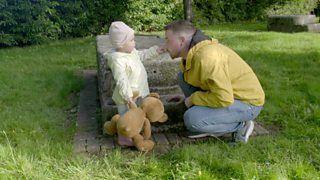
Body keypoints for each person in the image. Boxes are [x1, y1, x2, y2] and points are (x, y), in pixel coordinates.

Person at [164, 20, 265, 143]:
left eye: (167, 40)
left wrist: (192, 99)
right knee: (183, 77)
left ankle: (240, 125)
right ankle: (208, 115)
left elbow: (224, 98)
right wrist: (185, 98)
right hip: (227, 95)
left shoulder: (208, 57)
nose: (165, 45)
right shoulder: (193, 54)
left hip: (246, 103)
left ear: (181, 40)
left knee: (192, 120)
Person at [104, 21, 166, 146]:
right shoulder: (117, 60)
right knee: (126, 118)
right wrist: (128, 97)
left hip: (139, 92)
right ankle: (124, 138)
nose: (134, 42)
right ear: (121, 44)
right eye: (132, 40)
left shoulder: (131, 52)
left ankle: (138, 133)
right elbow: (121, 79)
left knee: (138, 116)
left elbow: (142, 55)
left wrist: (157, 51)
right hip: (127, 97)